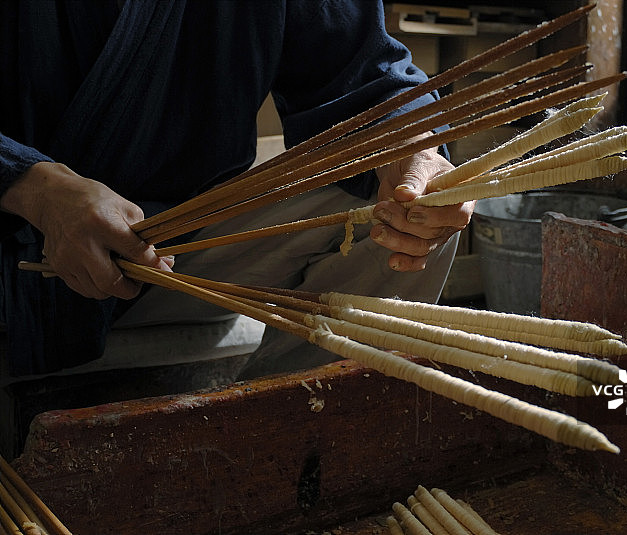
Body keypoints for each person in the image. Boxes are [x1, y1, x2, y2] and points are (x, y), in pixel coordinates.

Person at [0, 1, 473, 381]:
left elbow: (364, 73)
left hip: (179, 253)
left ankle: (292, 446)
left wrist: (410, 147)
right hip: (16, 252)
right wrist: (35, 187)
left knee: (406, 212)